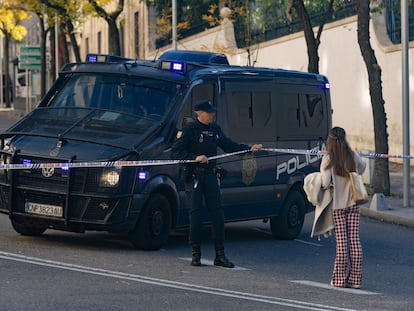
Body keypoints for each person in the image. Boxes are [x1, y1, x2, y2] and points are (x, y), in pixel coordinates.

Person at [172, 100, 262, 268]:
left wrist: (249, 148)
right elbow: (176, 152)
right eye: (208, 112)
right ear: (199, 113)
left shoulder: (215, 129)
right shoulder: (190, 130)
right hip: (194, 176)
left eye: (212, 112)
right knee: (195, 214)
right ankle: (195, 253)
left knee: (218, 215)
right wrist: (194, 158)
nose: (212, 115)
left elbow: (228, 145)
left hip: (211, 175)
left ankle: (220, 255)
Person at [320, 127, 366, 289]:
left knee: (342, 243)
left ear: (330, 140)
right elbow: (363, 167)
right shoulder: (352, 155)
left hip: (338, 205)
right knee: (354, 241)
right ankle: (355, 279)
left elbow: (325, 183)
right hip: (354, 203)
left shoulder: (328, 159)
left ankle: (339, 280)